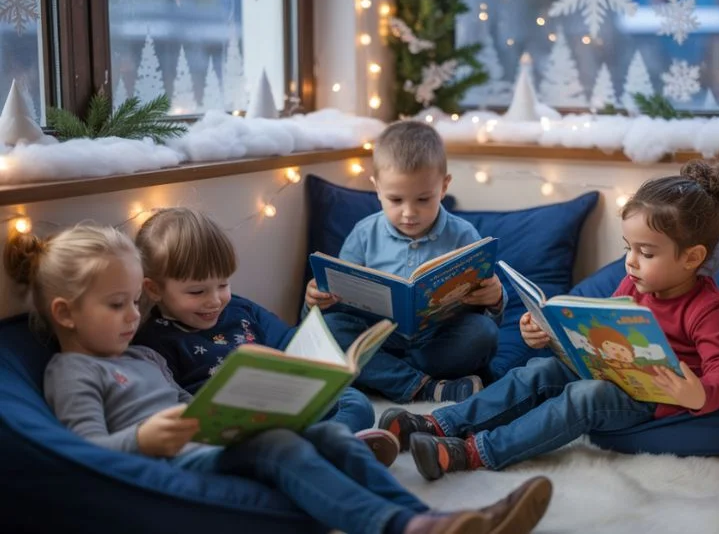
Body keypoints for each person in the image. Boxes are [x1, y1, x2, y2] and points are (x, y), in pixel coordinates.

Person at [3, 224, 553, 534]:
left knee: (330, 431)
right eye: (117, 305)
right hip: (172, 459)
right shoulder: (70, 369)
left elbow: (192, 403)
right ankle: (399, 528)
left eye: (133, 303)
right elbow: (84, 455)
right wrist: (143, 439)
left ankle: (434, 519)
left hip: (210, 441)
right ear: (66, 313)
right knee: (280, 447)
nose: (132, 317)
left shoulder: (141, 358)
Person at [379, 159, 719, 480]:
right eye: (627, 248)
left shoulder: (706, 308)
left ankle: (477, 452)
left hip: (649, 398)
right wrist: (549, 333)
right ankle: (438, 423)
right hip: (609, 371)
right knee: (536, 370)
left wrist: (697, 393)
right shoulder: (634, 285)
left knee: (585, 396)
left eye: (646, 252)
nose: (630, 261)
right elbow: (603, 332)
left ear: (692, 257)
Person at [131, 207, 397, 466]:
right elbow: (171, 407)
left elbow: (290, 341)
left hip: (284, 403)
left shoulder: (240, 308)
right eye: (197, 292)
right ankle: (327, 449)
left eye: (223, 284)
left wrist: (321, 368)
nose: (215, 300)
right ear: (154, 289)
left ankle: (319, 449)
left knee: (355, 402)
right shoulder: (153, 340)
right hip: (234, 430)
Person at [305, 120, 506, 403]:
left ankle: (385, 377)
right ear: (376, 188)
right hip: (378, 339)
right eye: (395, 199)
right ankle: (425, 386)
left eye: (423, 199)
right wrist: (317, 298)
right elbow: (338, 297)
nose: (409, 212)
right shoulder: (364, 234)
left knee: (482, 333)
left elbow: (488, 309)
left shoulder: (463, 235)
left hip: (437, 342)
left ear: (444, 186)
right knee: (330, 328)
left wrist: (494, 297)